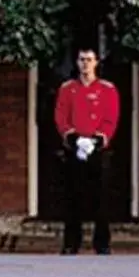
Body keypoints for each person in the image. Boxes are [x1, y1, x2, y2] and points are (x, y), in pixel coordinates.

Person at [53, 47, 119, 255]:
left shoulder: (108, 89)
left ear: (96, 62)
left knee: (101, 199)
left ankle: (102, 243)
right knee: (73, 198)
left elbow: (111, 118)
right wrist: (73, 137)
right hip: (75, 148)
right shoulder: (67, 88)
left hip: (98, 150)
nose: (85, 64)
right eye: (82, 60)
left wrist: (97, 140)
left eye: (89, 60)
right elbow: (60, 116)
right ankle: (71, 243)